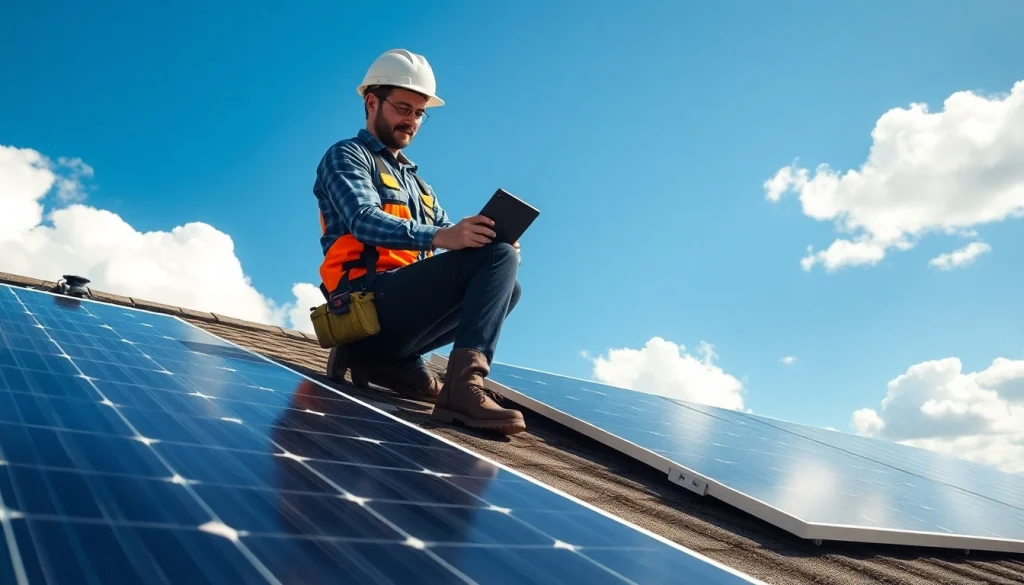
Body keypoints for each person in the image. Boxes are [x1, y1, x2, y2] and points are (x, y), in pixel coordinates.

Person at [312, 49, 527, 436]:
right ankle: (464, 389)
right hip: (363, 303)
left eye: (418, 113)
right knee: (495, 260)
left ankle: (389, 362)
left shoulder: (419, 185)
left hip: (400, 318)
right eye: (402, 108)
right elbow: (363, 220)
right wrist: (450, 237)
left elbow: (451, 236)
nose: (410, 120)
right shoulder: (347, 156)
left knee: (507, 284)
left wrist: (487, 240)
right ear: (372, 102)